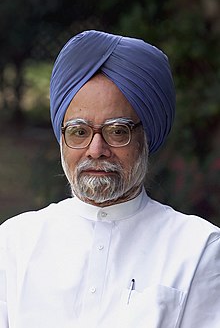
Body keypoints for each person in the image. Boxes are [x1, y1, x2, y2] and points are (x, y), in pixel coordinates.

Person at [0, 30, 219, 328]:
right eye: (79, 132)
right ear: (61, 138)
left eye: (118, 131)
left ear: (147, 136)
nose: (96, 150)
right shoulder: (14, 243)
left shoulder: (198, 248)